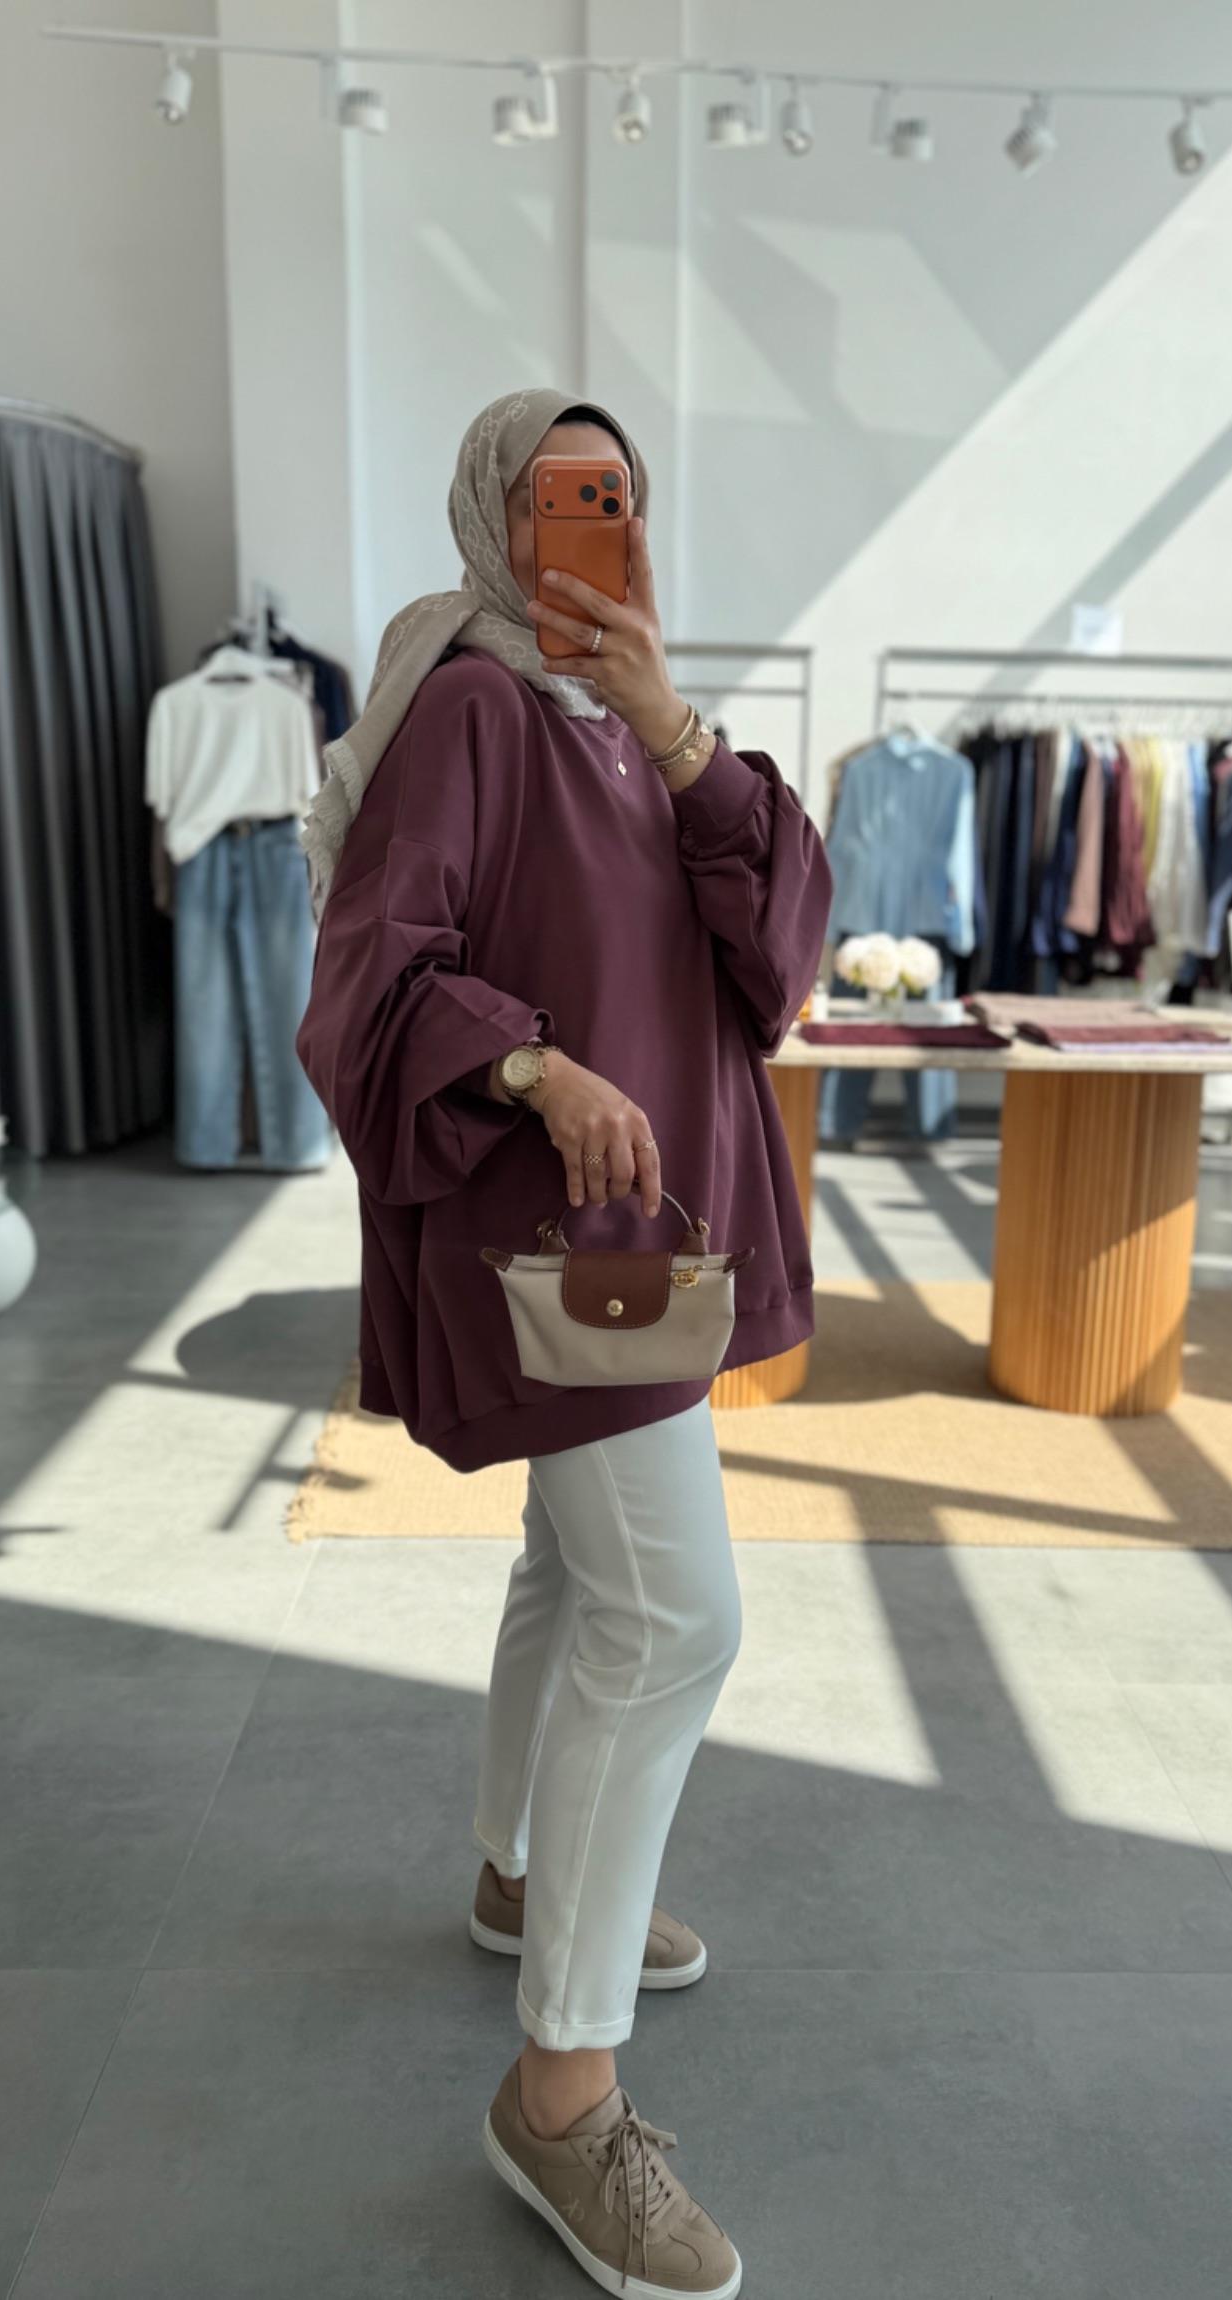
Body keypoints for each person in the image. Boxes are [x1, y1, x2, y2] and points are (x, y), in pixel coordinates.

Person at [297, 387, 831, 2298]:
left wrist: (678, 725)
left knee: (573, 1565)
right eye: (558, 498)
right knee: (673, 1618)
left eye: (616, 497)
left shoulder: (627, 722)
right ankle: (563, 2092)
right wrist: (534, 1067)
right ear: (491, 519)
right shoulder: (469, 707)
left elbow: (776, 952)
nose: (593, 529)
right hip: (556, 1243)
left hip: (639, 1242)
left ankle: (520, 1874)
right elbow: (375, 970)